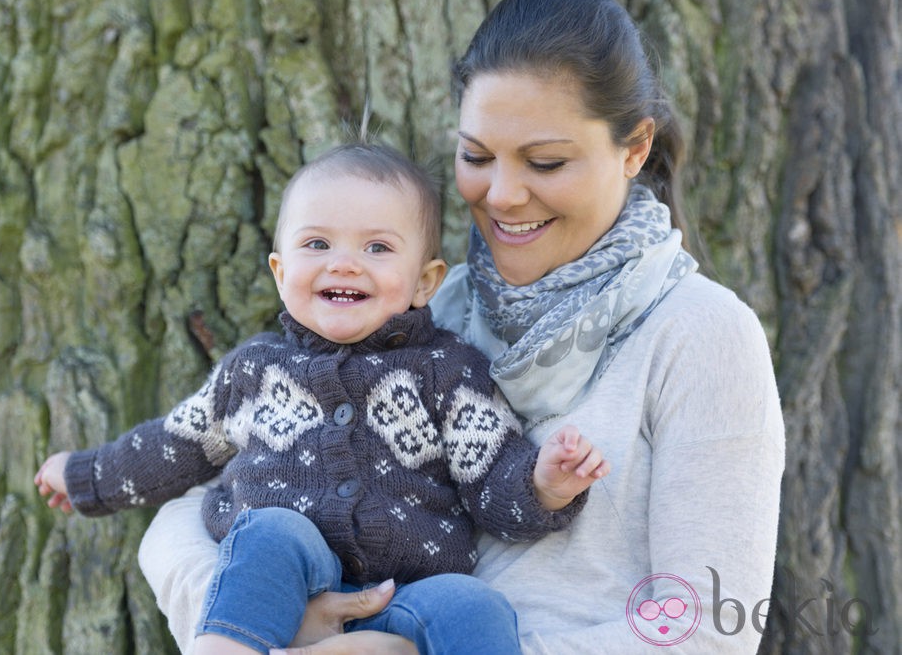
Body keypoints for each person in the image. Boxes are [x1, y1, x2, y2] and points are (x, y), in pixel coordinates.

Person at [135, 0, 785, 653]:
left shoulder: (701, 335)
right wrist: (263, 621)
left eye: (546, 161)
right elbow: (189, 515)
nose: (501, 195)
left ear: (634, 148)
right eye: (476, 157)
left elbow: (708, 628)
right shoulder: (425, 311)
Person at [35, 141, 611, 655]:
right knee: (269, 533)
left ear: (424, 282)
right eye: (317, 243)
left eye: (378, 248)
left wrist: (543, 485)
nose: (343, 262)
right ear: (281, 271)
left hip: (406, 593)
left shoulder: (447, 371)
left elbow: (491, 475)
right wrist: (84, 476)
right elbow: (173, 445)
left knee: (475, 605)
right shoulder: (255, 372)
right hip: (284, 587)